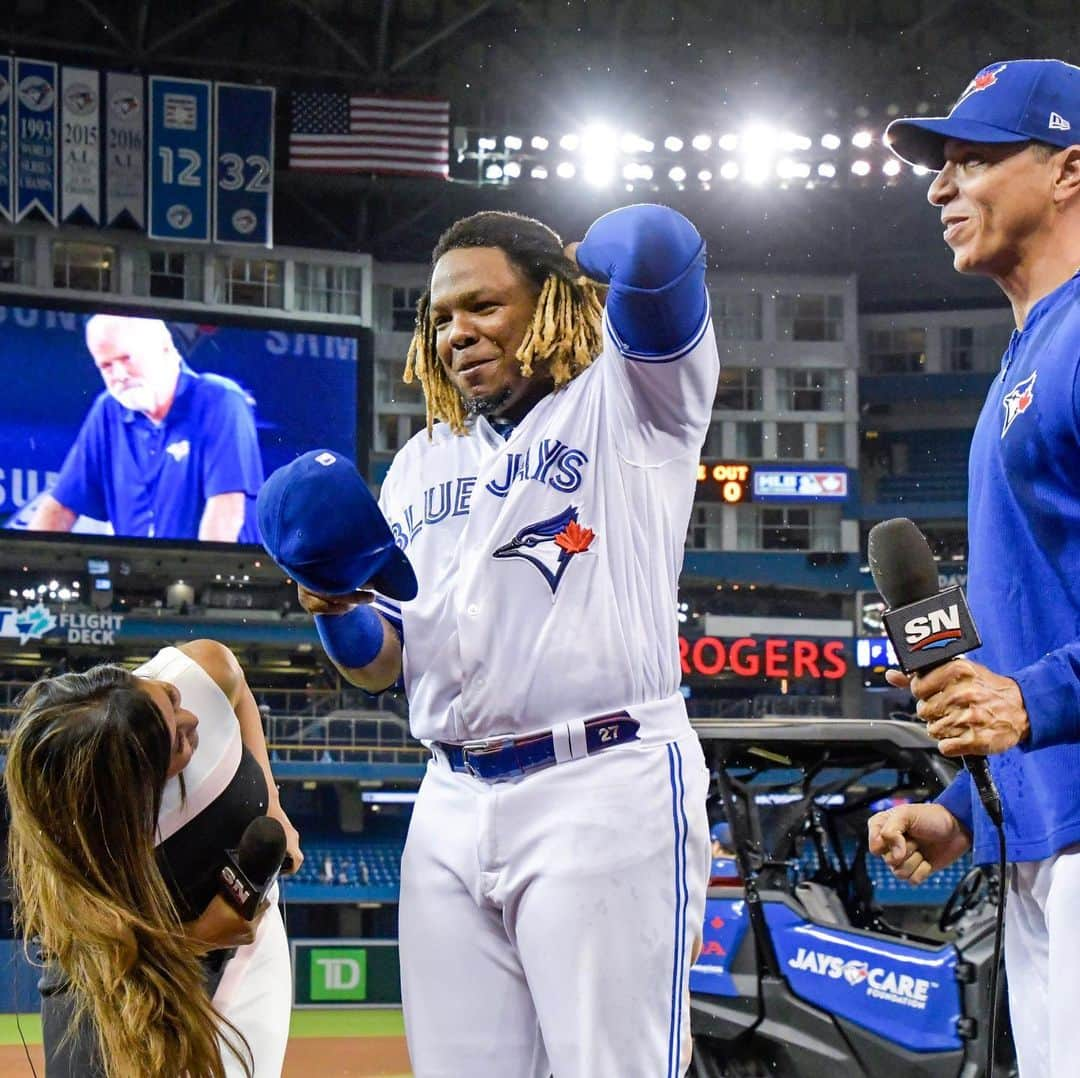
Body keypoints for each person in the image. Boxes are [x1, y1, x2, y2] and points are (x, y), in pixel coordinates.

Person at [259, 203, 719, 1076]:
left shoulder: (632, 403)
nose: (455, 333)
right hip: (450, 798)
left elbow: (659, 247)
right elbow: (382, 663)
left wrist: (574, 257)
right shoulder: (420, 464)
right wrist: (331, 606)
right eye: (440, 318)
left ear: (552, 302)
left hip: (601, 780)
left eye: (483, 306)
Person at [868, 59, 1080, 1078]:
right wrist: (958, 806)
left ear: (1068, 170)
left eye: (974, 160)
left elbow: (1033, 681)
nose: (938, 187)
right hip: (1042, 838)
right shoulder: (1026, 360)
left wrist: (1031, 701)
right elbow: (1040, 615)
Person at [5, 639, 301, 1077]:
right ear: (129, 788)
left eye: (171, 698)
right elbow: (108, 963)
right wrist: (197, 937)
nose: (192, 717)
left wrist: (272, 801)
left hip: (244, 951)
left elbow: (235, 690)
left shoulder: (199, 670)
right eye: (177, 739)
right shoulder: (79, 862)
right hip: (125, 986)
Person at [27, 314, 264, 542]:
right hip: (138, 579)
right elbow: (59, 508)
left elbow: (226, 512)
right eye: (106, 366)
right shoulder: (108, 410)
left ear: (164, 348)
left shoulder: (219, 399)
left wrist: (205, 576)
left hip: (220, 579)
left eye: (127, 358)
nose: (119, 375)